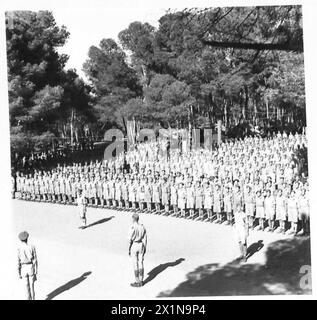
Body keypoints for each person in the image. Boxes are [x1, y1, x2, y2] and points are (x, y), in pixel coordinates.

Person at [128, 213, 147, 287]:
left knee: (135, 263)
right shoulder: (142, 226)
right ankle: (141, 280)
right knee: (141, 262)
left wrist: (129, 249)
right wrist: (145, 247)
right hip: (141, 244)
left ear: (133, 219)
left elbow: (130, 240)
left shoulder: (132, 227)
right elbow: (145, 238)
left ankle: (137, 281)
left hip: (134, 244)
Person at [17, 231, 38, 300]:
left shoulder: (19, 248)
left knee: (26, 287)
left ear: (20, 239)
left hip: (23, 268)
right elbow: (35, 260)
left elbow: (18, 261)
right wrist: (36, 270)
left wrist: (18, 272)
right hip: (30, 267)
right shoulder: (32, 247)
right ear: (27, 238)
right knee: (32, 286)